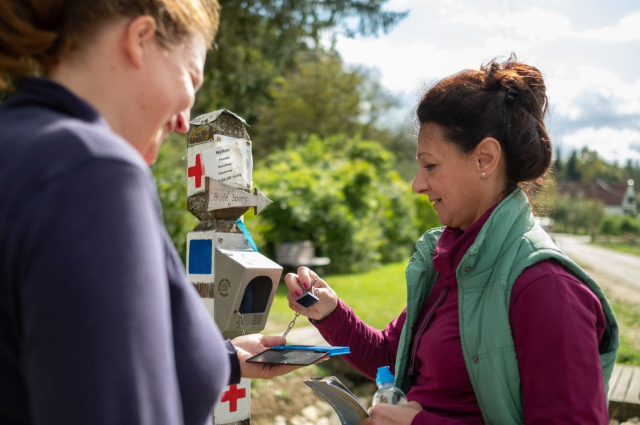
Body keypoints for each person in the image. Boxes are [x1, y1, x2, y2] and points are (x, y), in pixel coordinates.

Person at [0, 1, 296, 424]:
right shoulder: (94, 171)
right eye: (191, 79)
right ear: (139, 40)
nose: (183, 121)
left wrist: (222, 357)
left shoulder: (19, 148)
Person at [285, 56, 619, 424]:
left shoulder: (546, 287)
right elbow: (390, 357)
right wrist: (330, 313)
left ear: (485, 159)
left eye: (430, 166)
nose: (417, 184)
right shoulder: (451, 261)